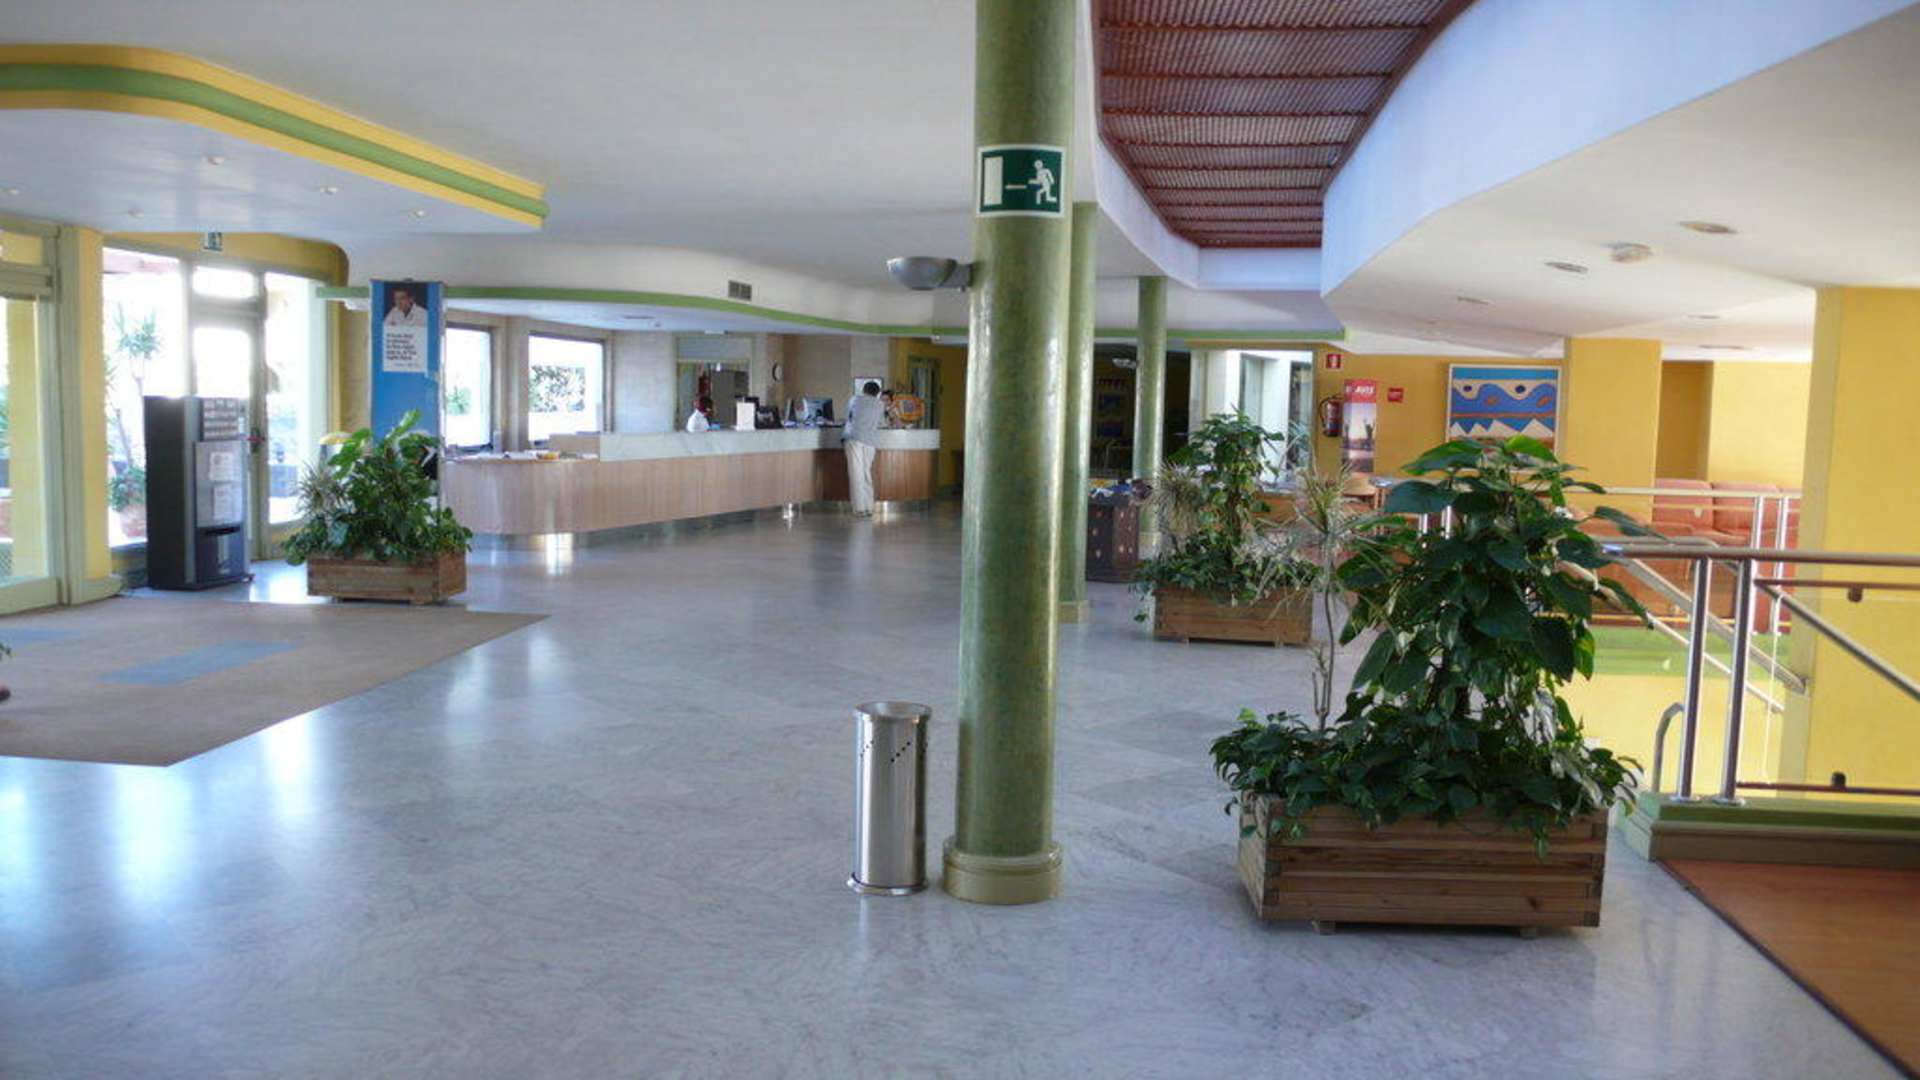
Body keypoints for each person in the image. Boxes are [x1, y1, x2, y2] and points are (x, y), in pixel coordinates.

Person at [843, 381, 886, 517]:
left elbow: (847, 418)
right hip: (870, 441)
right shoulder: (880, 404)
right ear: (877, 393)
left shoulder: (854, 399)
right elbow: (882, 423)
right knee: (866, 473)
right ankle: (869, 507)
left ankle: (859, 508)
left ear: (863, 390)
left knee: (856, 473)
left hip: (854, 438)